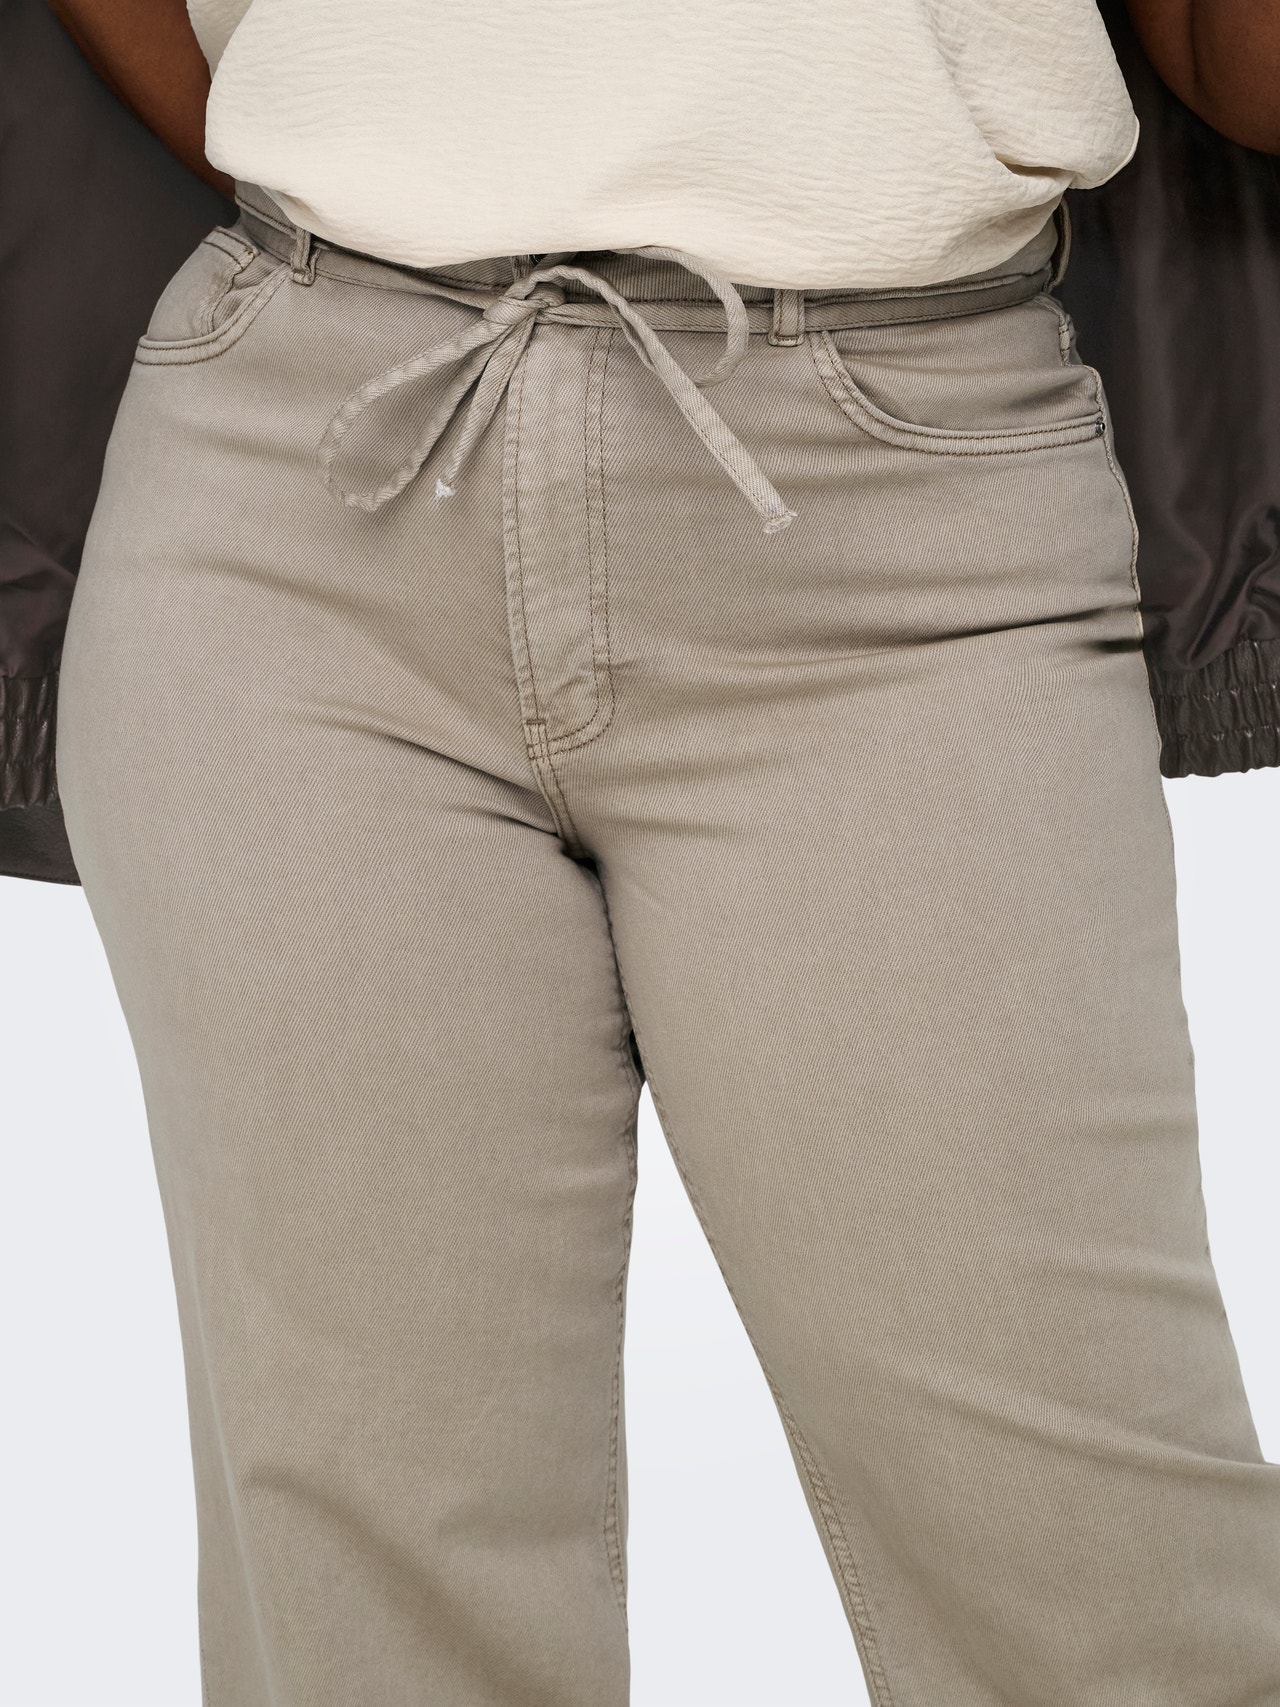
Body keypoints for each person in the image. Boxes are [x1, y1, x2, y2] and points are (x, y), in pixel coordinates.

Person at [20, 0, 1280, 1701]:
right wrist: (387, 169)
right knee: (368, 1634)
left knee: (1105, 1588)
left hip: (900, 519)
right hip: (311, 470)